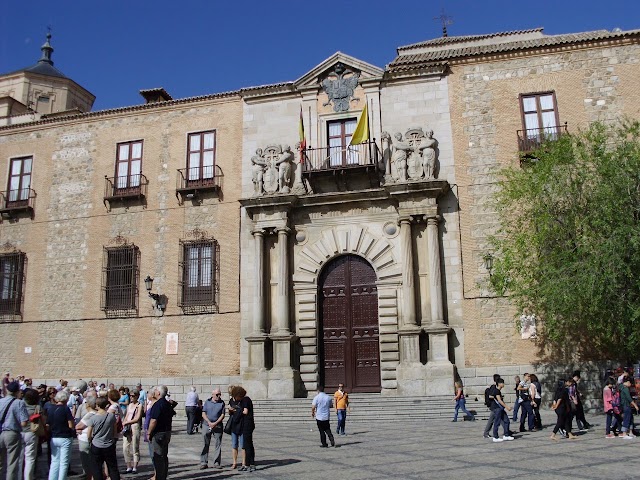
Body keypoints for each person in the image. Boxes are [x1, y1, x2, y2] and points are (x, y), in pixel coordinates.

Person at [85, 395, 119, 480]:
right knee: (112, 467)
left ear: (97, 405)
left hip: (96, 445)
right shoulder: (111, 416)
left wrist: (90, 440)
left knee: (96, 468)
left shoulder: (93, 418)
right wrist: (114, 439)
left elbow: (89, 434)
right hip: (109, 444)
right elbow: (115, 431)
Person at [0, 381, 29, 480]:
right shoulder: (19, 403)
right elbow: (24, 422)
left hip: (1, 432)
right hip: (12, 433)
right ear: (17, 391)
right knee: (12, 463)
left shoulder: (0, 401)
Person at [45, 389, 76, 480]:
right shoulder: (65, 409)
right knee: (64, 462)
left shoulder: (51, 409)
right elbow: (70, 424)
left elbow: (47, 424)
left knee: (54, 461)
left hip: (54, 436)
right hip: (65, 436)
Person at [147, 386, 175, 480]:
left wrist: (148, 432)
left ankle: (159, 477)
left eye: (155, 391)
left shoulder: (158, 404)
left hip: (158, 433)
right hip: (167, 432)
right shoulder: (167, 404)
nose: (154, 392)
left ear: (158, 393)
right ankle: (163, 476)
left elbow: (153, 420)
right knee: (164, 456)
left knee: (158, 457)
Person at [231, 386, 255, 472]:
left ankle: (248, 464)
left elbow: (245, 411)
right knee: (249, 444)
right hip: (248, 424)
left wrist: (236, 410)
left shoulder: (245, 400)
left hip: (247, 424)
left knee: (247, 445)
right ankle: (250, 463)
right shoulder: (246, 399)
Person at [200, 388, 225, 470]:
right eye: (217, 394)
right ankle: (204, 462)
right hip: (207, 425)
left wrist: (215, 423)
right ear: (213, 395)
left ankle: (217, 462)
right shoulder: (207, 402)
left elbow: (222, 415)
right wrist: (209, 422)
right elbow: (203, 413)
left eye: (220, 394)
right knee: (205, 444)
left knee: (218, 444)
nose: (219, 396)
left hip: (217, 425)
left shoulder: (222, 403)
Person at [21, 388, 41, 480]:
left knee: (19, 457)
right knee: (30, 458)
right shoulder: (38, 407)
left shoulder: (20, 405)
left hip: (20, 432)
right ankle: (28, 477)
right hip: (31, 432)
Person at [122, 389, 143, 473]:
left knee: (135, 446)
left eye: (133, 396)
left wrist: (127, 422)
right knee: (125, 447)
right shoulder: (129, 405)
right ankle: (128, 466)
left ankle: (135, 466)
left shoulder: (139, 405)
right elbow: (127, 415)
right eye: (130, 396)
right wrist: (124, 422)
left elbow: (137, 418)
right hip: (128, 426)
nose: (131, 397)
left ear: (137, 396)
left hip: (135, 426)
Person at [491, 378, 513, 442]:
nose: (503, 384)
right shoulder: (497, 391)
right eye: (502, 383)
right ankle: (495, 437)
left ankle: (506, 435)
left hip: (500, 408)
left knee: (506, 421)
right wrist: (507, 407)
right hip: (497, 408)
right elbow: (499, 400)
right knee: (497, 422)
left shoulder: (497, 391)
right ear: (499, 384)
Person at [227, 386, 241, 470]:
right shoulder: (231, 400)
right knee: (234, 444)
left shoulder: (241, 400)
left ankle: (244, 462)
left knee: (243, 445)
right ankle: (234, 462)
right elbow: (229, 412)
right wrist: (230, 410)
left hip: (241, 423)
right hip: (233, 424)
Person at [482, 374, 501, 438]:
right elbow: (491, 396)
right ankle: (486, 433)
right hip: (494, 406)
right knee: (491, 420)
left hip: (496, 406)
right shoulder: (494, 387)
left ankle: (507, 431)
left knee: (503, 419)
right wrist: (497, 398)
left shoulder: (496, 386)